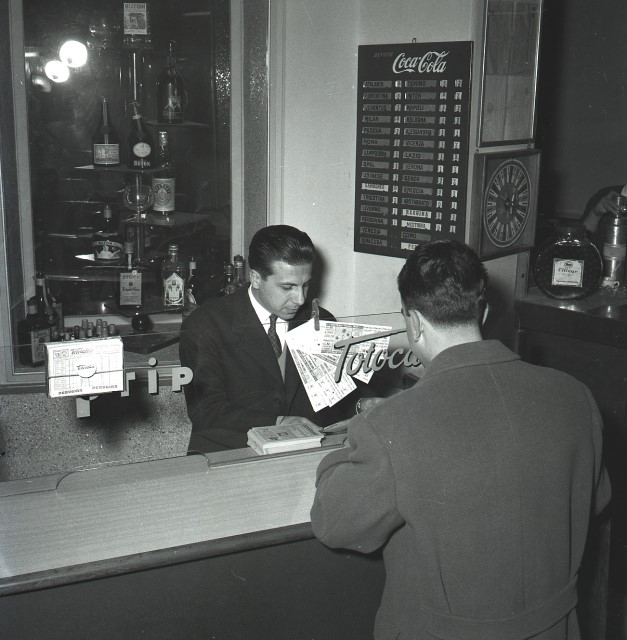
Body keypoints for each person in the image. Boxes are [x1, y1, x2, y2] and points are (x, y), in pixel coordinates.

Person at [311, 239, 610, 640]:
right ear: (482, 312)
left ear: (414, 323)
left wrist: (353, 440)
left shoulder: (392, 424)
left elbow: (333, 524)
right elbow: (595, 499)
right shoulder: (575, 395)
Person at [180, 224, 355, 452]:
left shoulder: (321, 321)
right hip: (229, 453)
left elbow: (336, 400)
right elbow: (206, 410)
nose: (300, 299)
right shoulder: (204, 325)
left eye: (305, 285)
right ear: (255, 278)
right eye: (288, 287)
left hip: (304, 454)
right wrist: (277, 423)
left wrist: (361, 405)